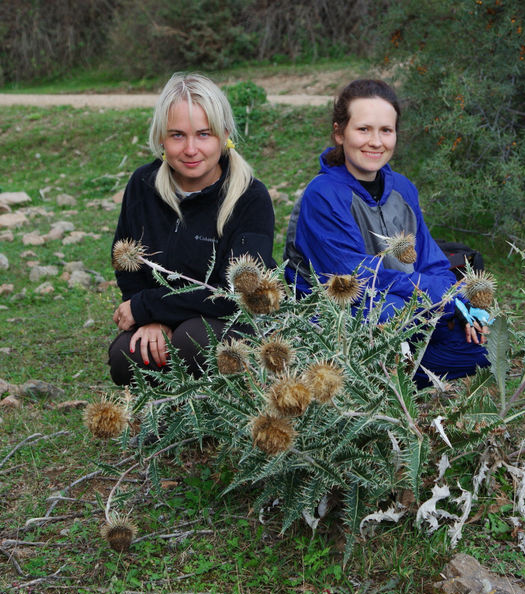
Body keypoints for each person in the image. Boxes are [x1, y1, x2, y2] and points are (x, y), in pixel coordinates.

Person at [283, 79, 489, 387]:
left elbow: (432, 262)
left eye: (386, 131)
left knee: (479, 346)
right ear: (340, 133)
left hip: (406, 304)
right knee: (392, 315)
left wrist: (457, 301)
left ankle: (389, 370)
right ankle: (378, 368)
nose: (375, 141)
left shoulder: (403, 189)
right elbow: (357, 276)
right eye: (363, 129)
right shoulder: (322, 194)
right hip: (344, 314)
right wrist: (441, 300)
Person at [109, 72, 276, 386]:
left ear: (224, 134)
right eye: (177, 135)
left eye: (203, 134)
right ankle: (167, 418)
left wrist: (147, 308)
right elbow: (126, 264)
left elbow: (236, 294)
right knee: (125, 356)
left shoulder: (250, 197)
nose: (190, 149)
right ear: (161, 137)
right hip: (162, 315)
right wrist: (151, 320)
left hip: (234, 322)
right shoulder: (142, 185)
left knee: (191, 340)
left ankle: (224, 415)